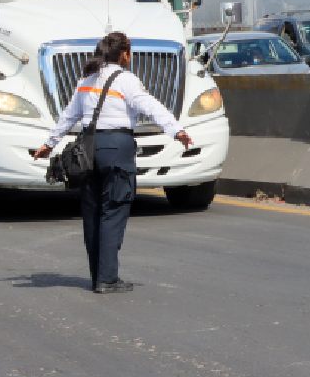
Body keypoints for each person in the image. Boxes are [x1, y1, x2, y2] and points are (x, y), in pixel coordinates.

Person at [32, 32, 192, 294]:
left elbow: (68, 116)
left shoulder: (86, 80)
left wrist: (49, 143)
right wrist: (177, 131)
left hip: (87, 149)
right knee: (113, 211)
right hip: (117, 149)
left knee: (92, 213)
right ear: (124, 54)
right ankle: (107, 279)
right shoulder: (127, 80)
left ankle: (98, 275)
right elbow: (151, 107)